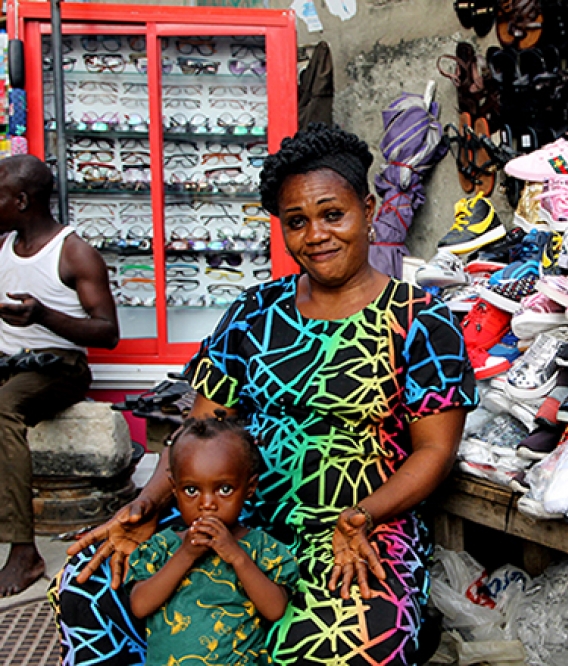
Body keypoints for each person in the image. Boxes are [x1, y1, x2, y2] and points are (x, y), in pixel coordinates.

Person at [52, 124, 477, 665]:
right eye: (296, 222)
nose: (315, 235)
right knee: (88, 580)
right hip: (235, 517)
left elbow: (433, 452)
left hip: (352, 531)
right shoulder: (255, 312)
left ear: (367, 210)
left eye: (332, 214)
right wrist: (146, 503)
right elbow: (198, 433)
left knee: (355, 640)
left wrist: (361, 517)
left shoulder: (422, 321)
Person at [0, 154, 119, 597]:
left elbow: (107, 333)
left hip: (59, 366)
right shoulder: (4, 246)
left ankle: (23, 551)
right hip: (9, 361)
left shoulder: (73, 253)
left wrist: (42, 315)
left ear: (23, 200)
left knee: (4, 409)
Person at [126, 414, 298, 666]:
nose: (207, 504)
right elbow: (140, 605)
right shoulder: (161, 547)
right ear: (174, 490)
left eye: (224, 489)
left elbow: (275, 609)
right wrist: (185, 555)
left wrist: (236, 557)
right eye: (191, 490)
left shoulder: (261, 548)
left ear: (249, 488)